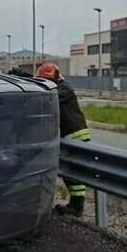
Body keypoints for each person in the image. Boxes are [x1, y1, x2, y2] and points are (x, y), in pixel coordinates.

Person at [35, 61, 91, 217]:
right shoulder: (58, 86)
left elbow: (49, 97)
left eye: (48, 81)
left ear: (56, 78)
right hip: (68, 135)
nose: (47, 84)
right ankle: (75, 205)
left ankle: (77, 206)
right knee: (69, 171)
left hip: (76, 134)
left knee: (74, 171)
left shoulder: (64, 88)